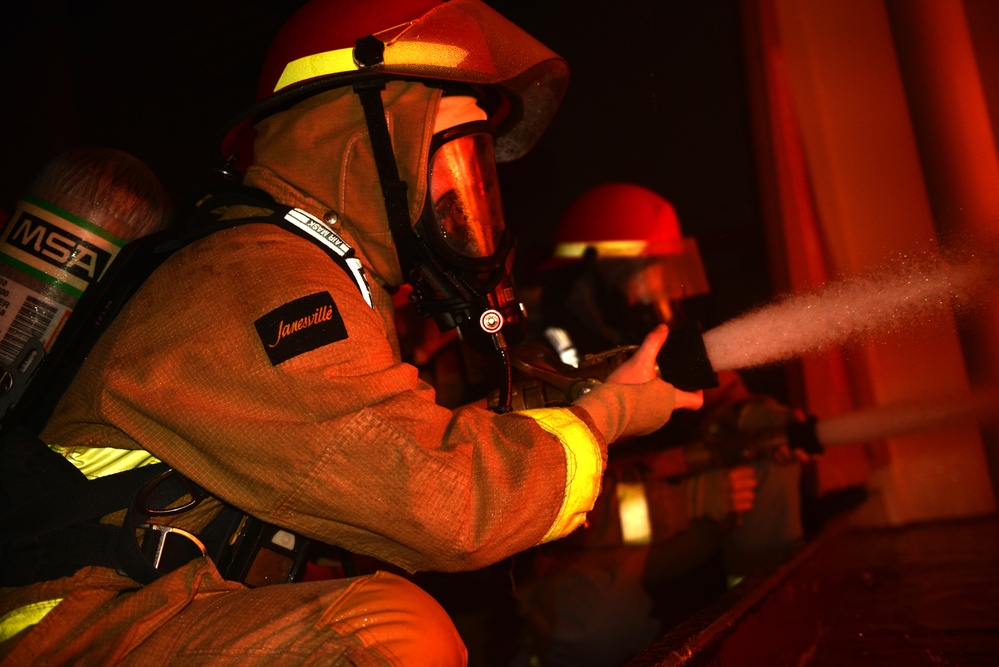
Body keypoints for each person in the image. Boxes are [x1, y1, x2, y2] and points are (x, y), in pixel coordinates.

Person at [0, 4, 704, 665]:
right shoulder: (265, 280)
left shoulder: (317, 273)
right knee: (393, 636)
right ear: (364, 142)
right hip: (65, 632)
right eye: (449, 161)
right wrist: (602, 420)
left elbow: (393, 447)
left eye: (476, 174)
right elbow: (440, 500)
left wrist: (582, 407)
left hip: (127, 614)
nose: (466, 199)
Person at [511, 182, 811, 667]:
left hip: (670, 535)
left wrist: (759, 421)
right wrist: (689, 500)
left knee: (772, 461)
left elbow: (726, 400)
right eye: (645, 277)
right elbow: (562, 513)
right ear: (592, 282)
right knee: (597, 619)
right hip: (590, 556)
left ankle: (763, 637)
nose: (661, 293)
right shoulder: (539, 370)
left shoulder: (654, 344)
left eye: (668, 275)